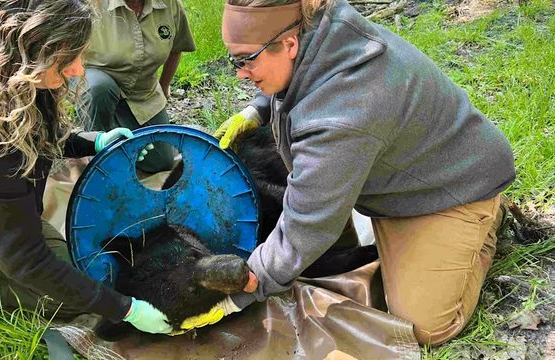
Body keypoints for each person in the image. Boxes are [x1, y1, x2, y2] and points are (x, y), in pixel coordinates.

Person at [193, 0, 515, 346]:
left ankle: (484, 222)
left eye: (246, 60)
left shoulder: (342, 114)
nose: (240, 72)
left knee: (424, 325)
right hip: (404, 168)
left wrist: (238, 294)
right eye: (234, 60)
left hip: (453, 189)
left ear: (288, 44)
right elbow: (302, 82)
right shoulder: (319, 27)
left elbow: (307, 227)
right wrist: (258, 110)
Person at [0, 1, 172, 358]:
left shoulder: (7, 74)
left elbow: (32, 133)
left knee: (78, 293)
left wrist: (91, 141)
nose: (79, 71)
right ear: (31, 54)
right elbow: (26, 259)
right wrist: (127, 309)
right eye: (67, 61)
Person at [79, 0, 196, 174]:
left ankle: (117, 130)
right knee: (98, 88)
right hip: (96, 83)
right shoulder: (91, 5)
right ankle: (93, 161)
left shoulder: (170, 4)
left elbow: (176, 47)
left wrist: (164, 86)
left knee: (161, 163)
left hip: (142, 92)